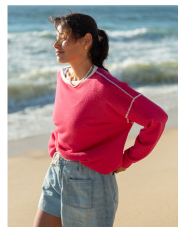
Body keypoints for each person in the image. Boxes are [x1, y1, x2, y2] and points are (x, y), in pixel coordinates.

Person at [33, 10, 168, 227]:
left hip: (90, 182)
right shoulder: (62, 77)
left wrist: (128, 159)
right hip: (56, 173)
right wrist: (55, 149)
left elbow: (157, 118)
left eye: (64, 38)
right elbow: (63, 123)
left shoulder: (106, 87)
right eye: (56, 37)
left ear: (86, 40)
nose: (56, 44)